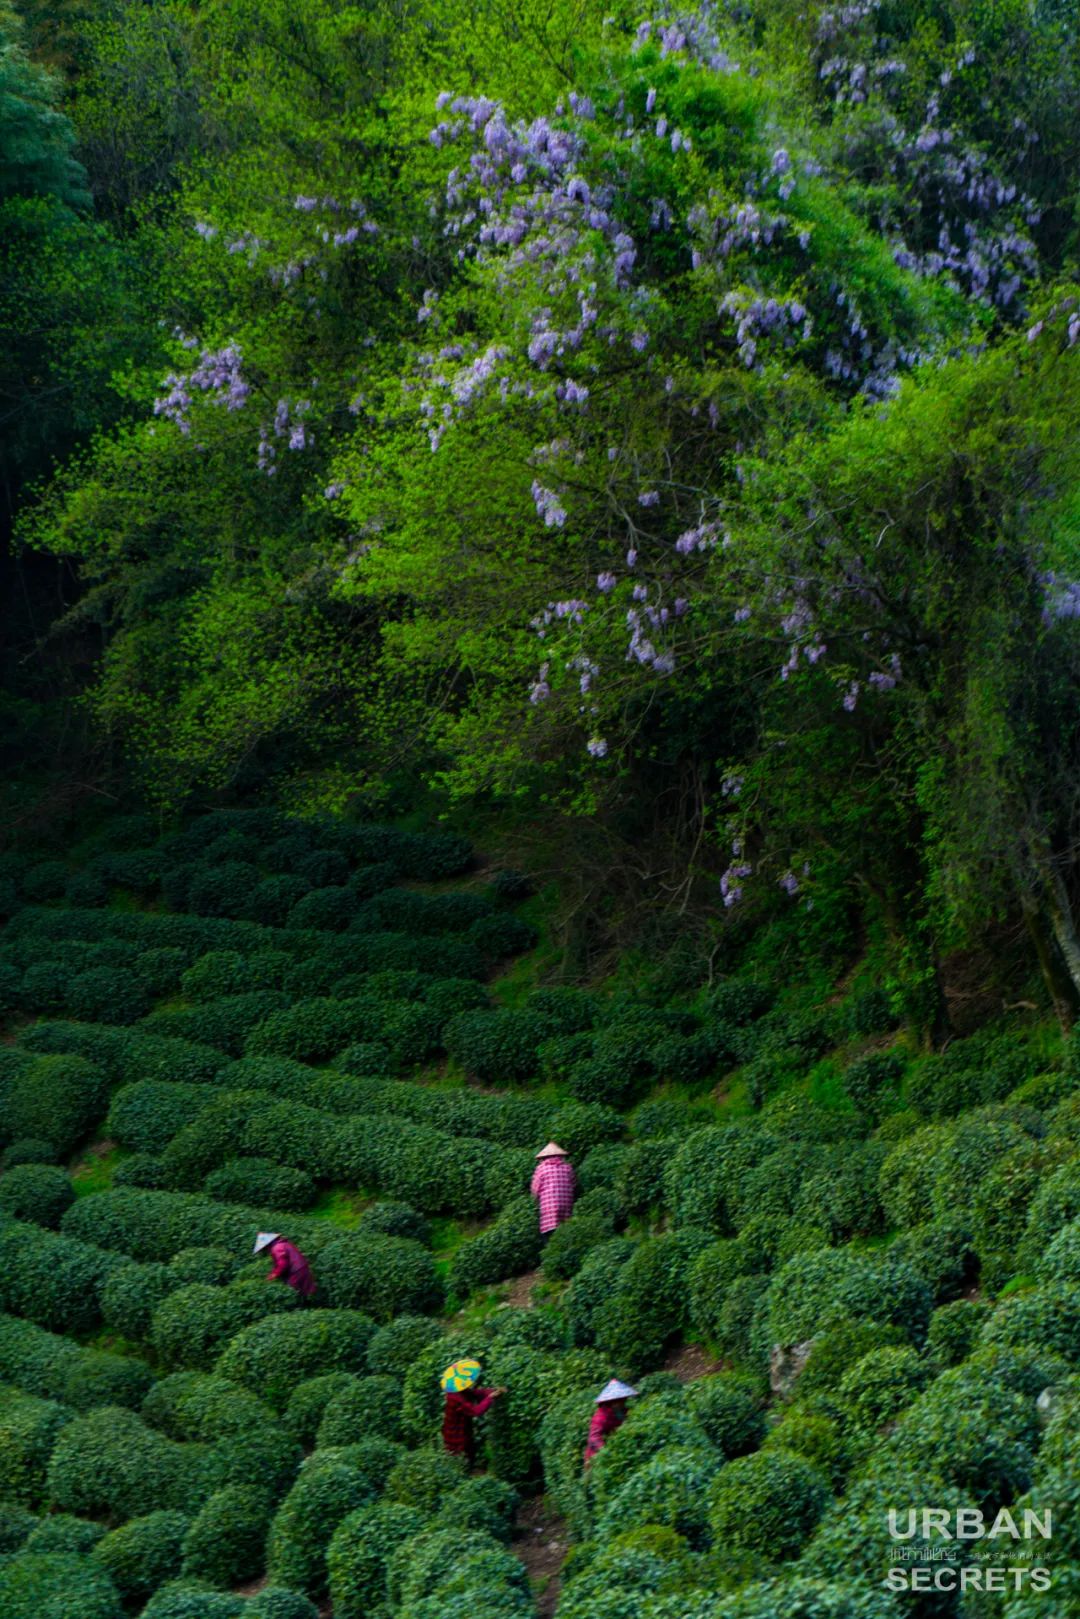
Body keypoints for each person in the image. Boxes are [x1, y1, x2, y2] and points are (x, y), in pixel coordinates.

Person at [442, 1364, 506, 1467]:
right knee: (460, 1458)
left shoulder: (461, 1390)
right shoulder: (455, 1397)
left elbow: (477, 1393)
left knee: (468, 1452)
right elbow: (475, 1411)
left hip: (464, 1430)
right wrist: (490, 1398)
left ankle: (467, 1469)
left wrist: (493, 1391)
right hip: (456, 1434)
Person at [583, 1379, 638, 1468]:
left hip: (616, 1454)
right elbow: (594, 1438)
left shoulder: (622, 1411)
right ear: (611, 1401)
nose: (623, 1402)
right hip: (596, 1458)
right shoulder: (601, 1416)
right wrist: (607, 1452)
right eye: (620, 1400)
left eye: (624, 1400)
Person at [530, 1142, 576, 1239]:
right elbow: (573, 1185)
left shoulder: (541, 1168)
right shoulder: (568, 1167)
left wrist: (534, 1201)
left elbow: (535, 1189)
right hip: (566, 1205)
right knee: (564, 1231)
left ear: (544, 1157)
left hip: (549, 1207)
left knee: (549, 1233)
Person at [254, 1231, 316, 1300]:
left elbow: (282, 1265)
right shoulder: (284, 1243)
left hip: (296, 1271)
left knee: (293, 1294)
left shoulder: (277, 1248)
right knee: (304, 1294)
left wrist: (273, 1275)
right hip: (302, 1268)